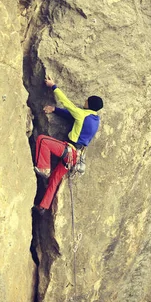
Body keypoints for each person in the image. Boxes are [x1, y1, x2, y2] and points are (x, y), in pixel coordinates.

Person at [34, 77, 103, 214]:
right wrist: (54, 110)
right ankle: (43, 206)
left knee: (43, 140)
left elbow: (68, 104)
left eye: (86, 101)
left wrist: (53, 86)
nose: (84, 102)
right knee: (55, 179)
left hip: (69, 150)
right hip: (75, 157)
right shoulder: (94, 119)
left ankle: (44, 168)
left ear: (89, 104)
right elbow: (72, 116)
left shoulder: (82, 114)